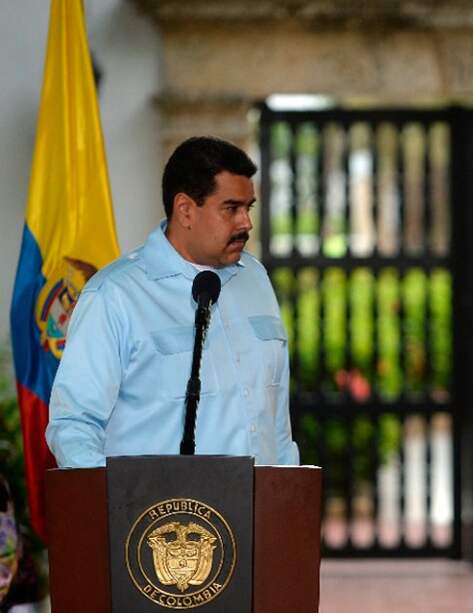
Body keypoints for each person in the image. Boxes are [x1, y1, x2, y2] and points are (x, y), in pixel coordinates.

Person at [46, 136, 299, 467]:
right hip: (161, 515)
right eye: (231, 208)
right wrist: (120, 510)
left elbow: (276, 420)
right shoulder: (115, 295)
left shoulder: (255, 279)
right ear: (185, 210)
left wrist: (286, 494)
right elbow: (74, 425)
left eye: (248, 208)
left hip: (258, 511)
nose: (246, 223)